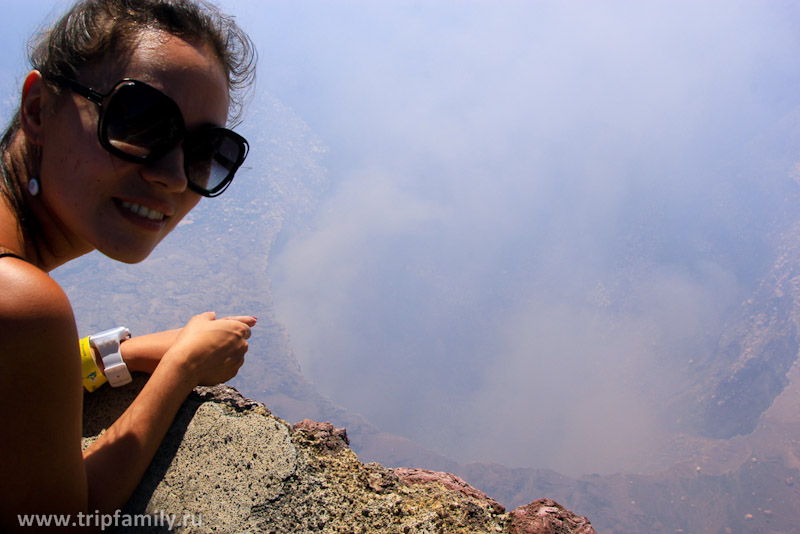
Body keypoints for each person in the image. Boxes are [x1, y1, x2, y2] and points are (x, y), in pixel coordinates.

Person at [0, 0, 258, 527]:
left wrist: (123, 352)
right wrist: (181, 368)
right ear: (38, 109)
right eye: (141, 122)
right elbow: (60, 521)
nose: (173, 175)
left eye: (205, 151)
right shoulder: (21, 302)